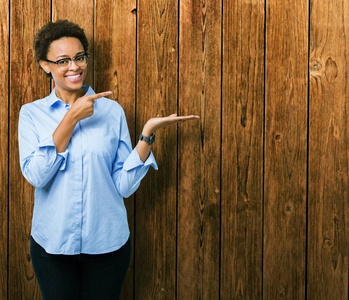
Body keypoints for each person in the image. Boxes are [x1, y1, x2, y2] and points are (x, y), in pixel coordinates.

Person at [18, 19, 199, 300]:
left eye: (79, 57)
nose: (74, 67)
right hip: (52, 247)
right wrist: (70, 119)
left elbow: (123, 187)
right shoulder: (31, 114)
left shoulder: (112, 112)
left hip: (107, 246)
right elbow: (37, 176)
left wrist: (147, 134)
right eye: (63, 60)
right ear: (45, 65)